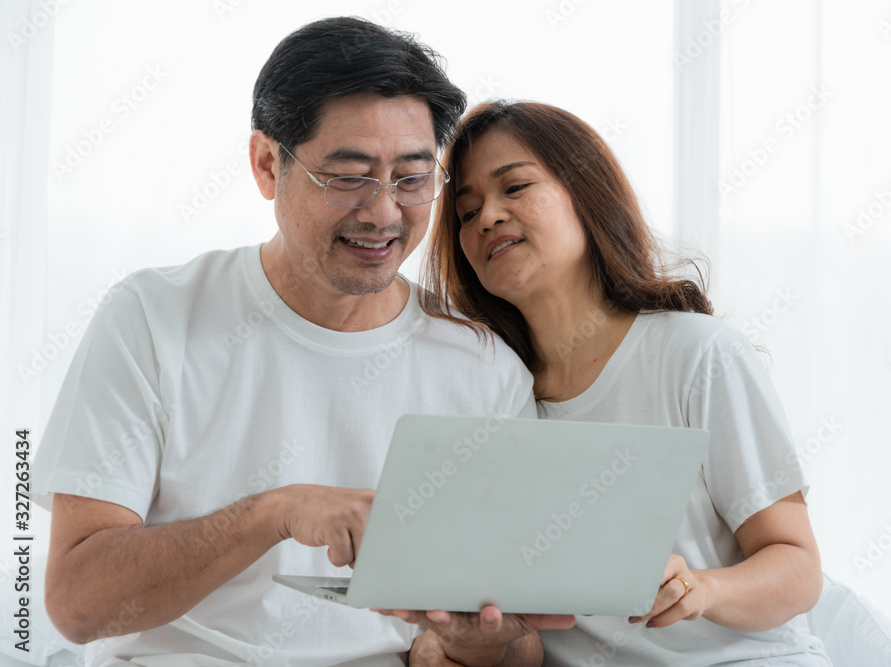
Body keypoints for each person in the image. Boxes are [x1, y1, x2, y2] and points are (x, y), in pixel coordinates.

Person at [32, 19, 567, 667]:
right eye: (349, 176)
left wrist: (465, 644)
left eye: (412, 177)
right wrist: (273, 512)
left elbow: (517, 643)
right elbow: (77, 604)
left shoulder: (483, 368)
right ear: (266, 164)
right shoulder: (152, 317)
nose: (383, 212)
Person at [417, 100, 833, 665]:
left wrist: (705, 590)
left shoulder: (696, 354)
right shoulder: (486, 390)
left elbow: (798, 568)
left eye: (514, 187)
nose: (487, 217)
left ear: (585, 194)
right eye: (466, 212)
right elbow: (519, 632)